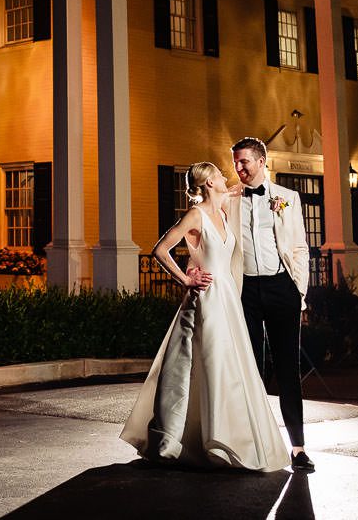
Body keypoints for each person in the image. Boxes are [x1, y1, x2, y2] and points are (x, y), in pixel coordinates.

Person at [119, 162, 290, 471]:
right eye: (219, 175)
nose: (225, 178)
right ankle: (195, 439)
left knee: (228, 367)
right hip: (206, 299)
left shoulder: (222, 211)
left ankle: (228, 436)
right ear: (209, 182)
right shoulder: (195, 215)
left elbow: (241, 190)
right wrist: (185, 279)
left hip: (228, 299)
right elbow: (160, 250)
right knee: (204, 366)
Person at [229, 136, 315, 473]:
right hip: (245, 290)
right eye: (235, 162)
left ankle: (298, 448)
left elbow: (298, 247)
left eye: (244, 162)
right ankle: (254, 446)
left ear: (261, 161)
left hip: (282, 288)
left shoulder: (287, 198)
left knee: (288, 371)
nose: (239, 169)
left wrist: (299, 291)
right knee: (251, 370)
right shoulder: (230, 199)